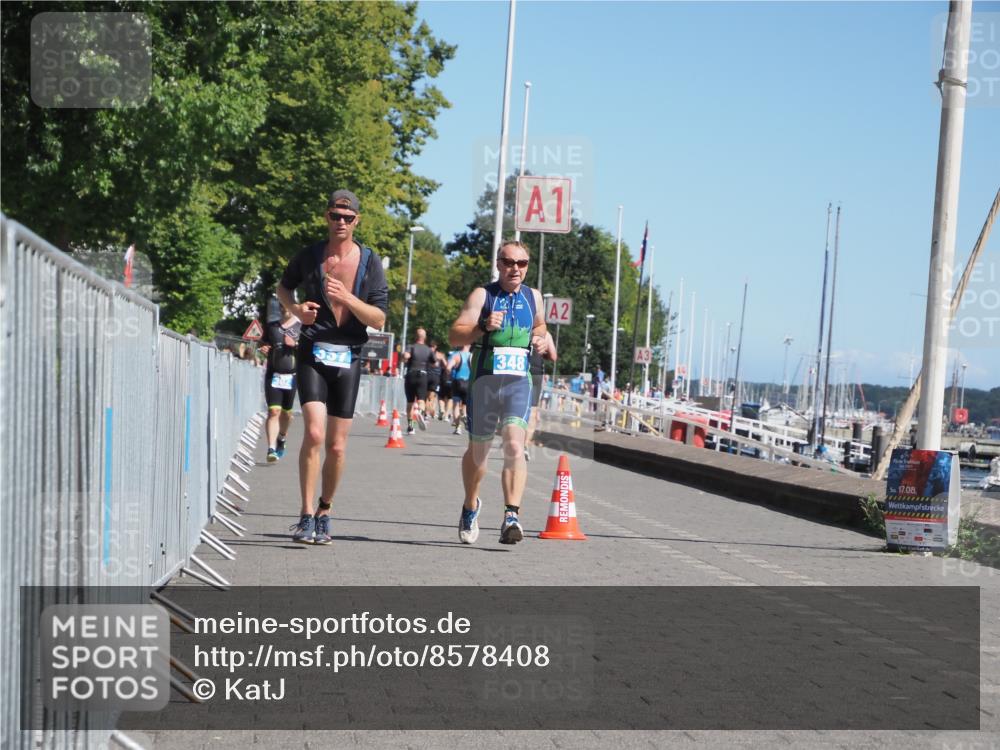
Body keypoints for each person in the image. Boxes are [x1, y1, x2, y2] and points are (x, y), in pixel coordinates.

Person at [276, 189, 388, 545]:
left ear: (357, 221)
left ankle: (325, 509)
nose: (341, 222)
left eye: (348, 217)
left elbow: (379, 318)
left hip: (349, 357)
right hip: (312, 352)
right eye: (335, 216)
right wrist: (295, 311)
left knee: (337, 447)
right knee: (313, 434)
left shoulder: (370, 263)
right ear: (327, 217)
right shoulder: (310, 256)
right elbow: (283, 287)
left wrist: (348, 298)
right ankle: (306, 514)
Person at [449, 240, 548, 545]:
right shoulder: (483, 295)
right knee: (479, 454)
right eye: (508, 262)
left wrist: (542, 340)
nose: (515, 269)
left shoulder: (534, 297)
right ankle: (470, 505)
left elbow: (541, 327)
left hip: (519, 381)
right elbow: (454, 335)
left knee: (515, 446)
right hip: (485, 383)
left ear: (527, 266)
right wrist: (481, 326)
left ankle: (511, 515)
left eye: (522, 263)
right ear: (498, 263)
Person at [262, 300, 301, 462]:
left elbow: (310, 350)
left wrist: (296, 344)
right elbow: (263, 344)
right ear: (279, 307)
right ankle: (271, 448)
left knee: (287, 413)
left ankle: (282, 438)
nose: (285, 308)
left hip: (292, 377)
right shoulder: (272, 327)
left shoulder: (301, 327)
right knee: (273, 411)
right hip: (273, 374)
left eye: (289, 305)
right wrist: (263, 348)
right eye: (283, 305)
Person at [524, 331, 557, 461]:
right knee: (532, 411)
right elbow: (553, 356)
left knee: (515, 407)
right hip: (536, 372)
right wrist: (544, 353)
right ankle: (525, 445)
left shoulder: (523, 326)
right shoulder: (546, 335)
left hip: (520, 368)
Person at [403, 328, 435, 434]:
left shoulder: (411, 346)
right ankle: (420, 412)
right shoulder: (428, 350)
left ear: (415, 336)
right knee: (421, 400)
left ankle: (411, 427)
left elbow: (406, 356)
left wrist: (405, 357)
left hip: (411, 374)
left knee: (410, 403)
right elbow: (434, 362)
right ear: (424, 337)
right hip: (423, 375)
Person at [448, 344, 472, 435]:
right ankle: (464, 415)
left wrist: (449, 373)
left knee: (456, 405)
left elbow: (448, 367)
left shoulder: (457, 355)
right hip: (468, 382)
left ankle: (458, 428)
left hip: (458, 381)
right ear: (469, 345)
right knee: (465, 405)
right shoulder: (472, 356)